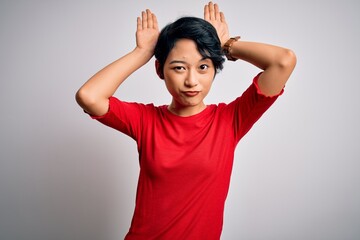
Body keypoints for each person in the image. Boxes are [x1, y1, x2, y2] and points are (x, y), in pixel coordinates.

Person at [76, 2, 296, 239]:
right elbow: (89, 96)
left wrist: (224, 44)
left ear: (214, 70)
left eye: (203, 67)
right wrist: (141, 53)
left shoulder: (230, 120)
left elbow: (283, 61)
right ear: (160, 70)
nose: (192, 81)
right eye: (179, 68)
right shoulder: (145, 121)